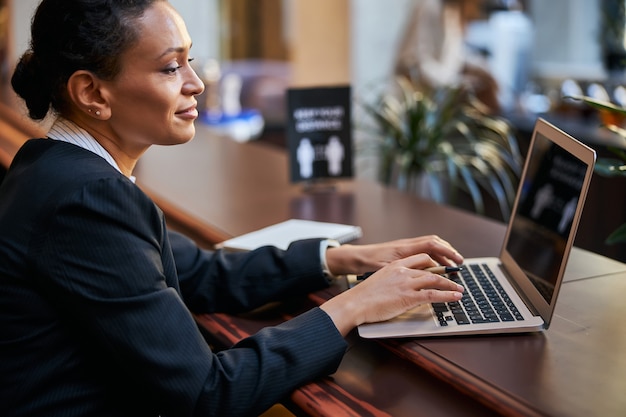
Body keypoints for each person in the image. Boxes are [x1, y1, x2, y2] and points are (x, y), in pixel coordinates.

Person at [0, 1, 465, 416]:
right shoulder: (88, 200)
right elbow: (208, 394)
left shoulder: (51, 164)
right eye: (169, 68)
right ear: (92, 94)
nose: (196, 84)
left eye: (190, 61)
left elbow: (199, 272)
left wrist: (344, 259)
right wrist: (354, 306)